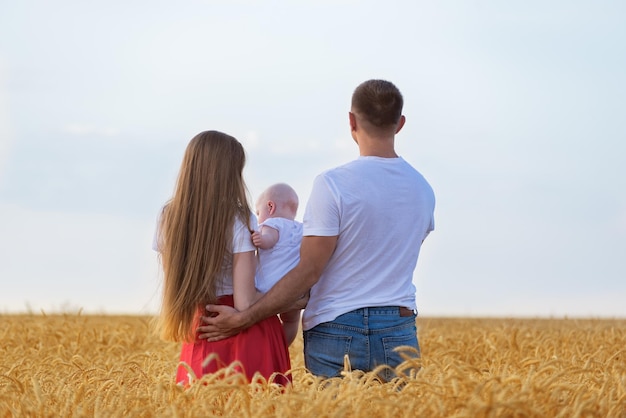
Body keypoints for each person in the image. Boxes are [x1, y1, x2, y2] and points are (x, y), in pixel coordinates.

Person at [197, 80, 435, 381]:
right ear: (400, 124)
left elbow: (309, 270)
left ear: (351, 121)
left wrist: (243, 319)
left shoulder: (333, 184)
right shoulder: (423, 190)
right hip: (398, 327)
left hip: (336, 328)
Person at [153, 130, 291, 386]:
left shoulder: (168, 218)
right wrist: (293, 298)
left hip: (200, 330)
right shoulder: (239, 218)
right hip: (246, 334)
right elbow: (245, 301)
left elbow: (176, 284)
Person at [252, 183, 303, 346]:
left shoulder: (272, 224)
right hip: (294, 289)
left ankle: (264, 347)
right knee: (291, 321)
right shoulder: (301, 229)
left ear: (270, 206)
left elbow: (270, 239)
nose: (258, 217)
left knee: (257, 317)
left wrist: (261, 240)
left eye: (258, 212)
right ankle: (282, 346)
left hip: (268, 288)